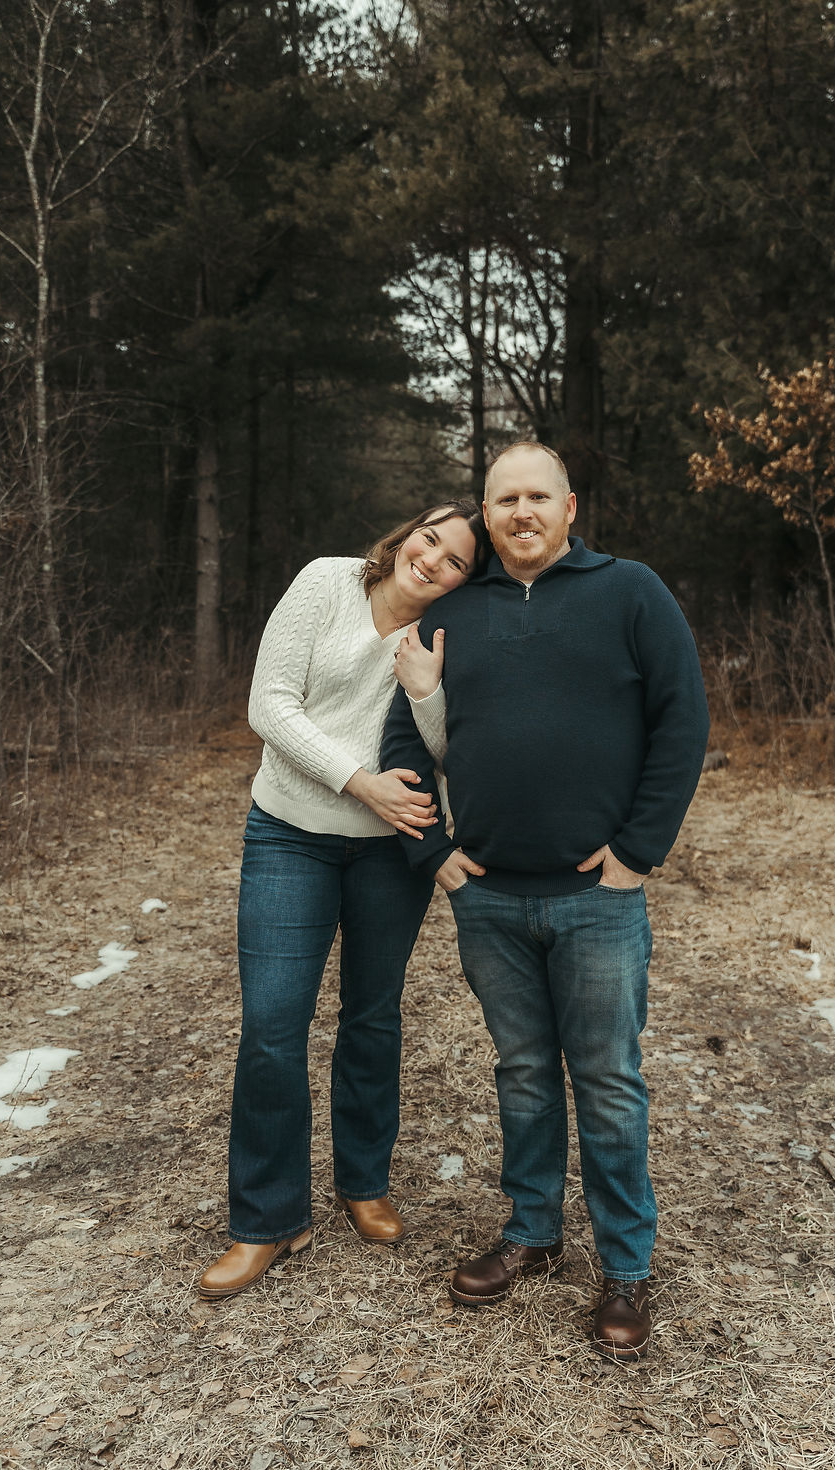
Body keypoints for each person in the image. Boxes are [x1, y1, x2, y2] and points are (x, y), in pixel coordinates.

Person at [382, 443, 709, 1361]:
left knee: (606, 1080)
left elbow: (682, 721)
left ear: (571, 507)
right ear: (485, 518)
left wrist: (639, 852)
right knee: (523, 1071)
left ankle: (626, 1267)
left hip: (595, 899)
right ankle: (532, 1231)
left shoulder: (631, 591)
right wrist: (433, 852)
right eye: (503, 500)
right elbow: (407, 730)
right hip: (488, 898)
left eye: (538, 496)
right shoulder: (454, 612)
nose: (521, 512)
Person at [198, 499, 489, 1301]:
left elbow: (446, 749)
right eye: (430, 539)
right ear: (407, 534)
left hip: (387, 856)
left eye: (456, 559)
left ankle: (363, 1181)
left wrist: (427, 694)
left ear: (468, 577)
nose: (432, 560)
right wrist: (360, 781)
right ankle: (267, 1220)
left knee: (372, 1014)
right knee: (271, 1024)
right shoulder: (325, 584)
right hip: (289, 833)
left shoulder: (447, 638)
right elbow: (270, 706)